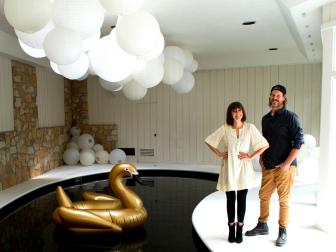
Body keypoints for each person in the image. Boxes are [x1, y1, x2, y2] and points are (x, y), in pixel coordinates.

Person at [245, 84, 304, 247]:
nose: (274, 98)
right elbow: (264, 142)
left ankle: (282, 231)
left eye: (277, 95)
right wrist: (262, 158)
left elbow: (299, 142)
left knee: (283, 200)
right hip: (269, 166)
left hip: (286, 167)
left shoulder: (291, 117)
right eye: (272, 95)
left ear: (284, 98)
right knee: (263, 196)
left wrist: (286, 164)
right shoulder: (265, 119)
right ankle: (262, 225)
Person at [205, 101, 269, 243]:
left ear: (243, 112)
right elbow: (209, 141)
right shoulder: (225, 128)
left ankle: (240, 228)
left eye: (239, 110)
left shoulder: (250, 128)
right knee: (230, 199)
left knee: (241, 199)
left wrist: (251, 156)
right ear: (230, 114)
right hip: (229, 168)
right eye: (234, 111)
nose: (237, 113)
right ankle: (231, 229)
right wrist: (219, 153)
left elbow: (265, 144)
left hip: (244, 169)